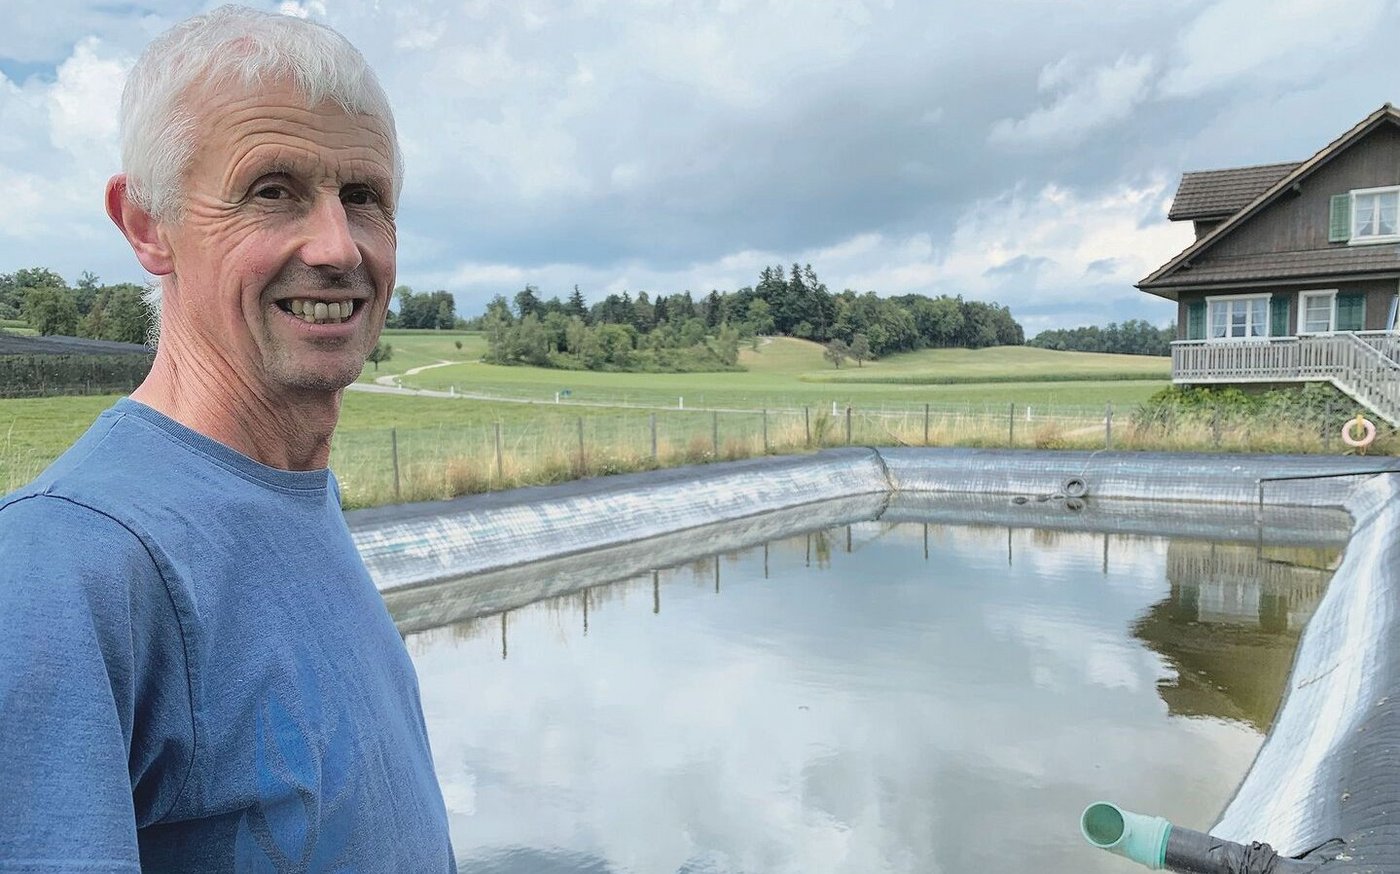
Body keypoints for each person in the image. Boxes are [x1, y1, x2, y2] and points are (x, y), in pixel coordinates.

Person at [0, 6, 456, 871]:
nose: (338, 247)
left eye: (364, 196)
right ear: (147, 224)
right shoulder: (61, 565)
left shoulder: (293, 499)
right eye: (272, 191)